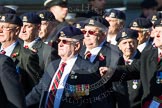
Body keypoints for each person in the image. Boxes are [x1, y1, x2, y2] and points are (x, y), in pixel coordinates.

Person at [26, 26, 112, 108]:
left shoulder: (88, 69)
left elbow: (97, 102)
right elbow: (38, 92)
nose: (60, 44)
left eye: (64, 41)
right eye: (59, 41)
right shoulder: (52, 65)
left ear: (77, 46)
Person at [99, 18, 162, 108]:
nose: (157, 35)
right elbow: (132, 69)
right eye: (156, 31)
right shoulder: (149, 54)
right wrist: (111, 70)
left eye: (161, 32)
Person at [0, 13, 41, 95]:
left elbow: (34, 90)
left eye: (5, 27)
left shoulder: (27, 56)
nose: (0, 30)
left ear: (17, 31)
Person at [19, 12, 59, 76]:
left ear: (38, 28)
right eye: (21, 26)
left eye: (28, 26)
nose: (23, 30)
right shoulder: (16, 47)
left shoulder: (48, 51)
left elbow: (49, 79)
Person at [116, 28, 143, 108]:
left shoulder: (145, 62)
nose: (128, 46)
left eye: (131, 42)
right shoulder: (114, 64)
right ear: (119, 46)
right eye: (124, 43)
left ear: (137, 43)